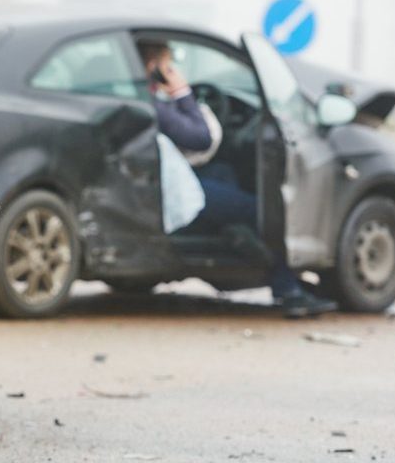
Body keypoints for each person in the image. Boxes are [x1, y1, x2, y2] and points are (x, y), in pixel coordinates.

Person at [139, 41, 337, 318]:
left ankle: (232, 236)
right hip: (170, 191)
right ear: (153, 68)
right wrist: (183, 93)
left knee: (224, 173)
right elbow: (200, 138)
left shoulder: (143, 101)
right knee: (259, 210)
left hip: (166, 180)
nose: (172, 72)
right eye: (168, 67)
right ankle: (287, 288)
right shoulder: (154, 106)